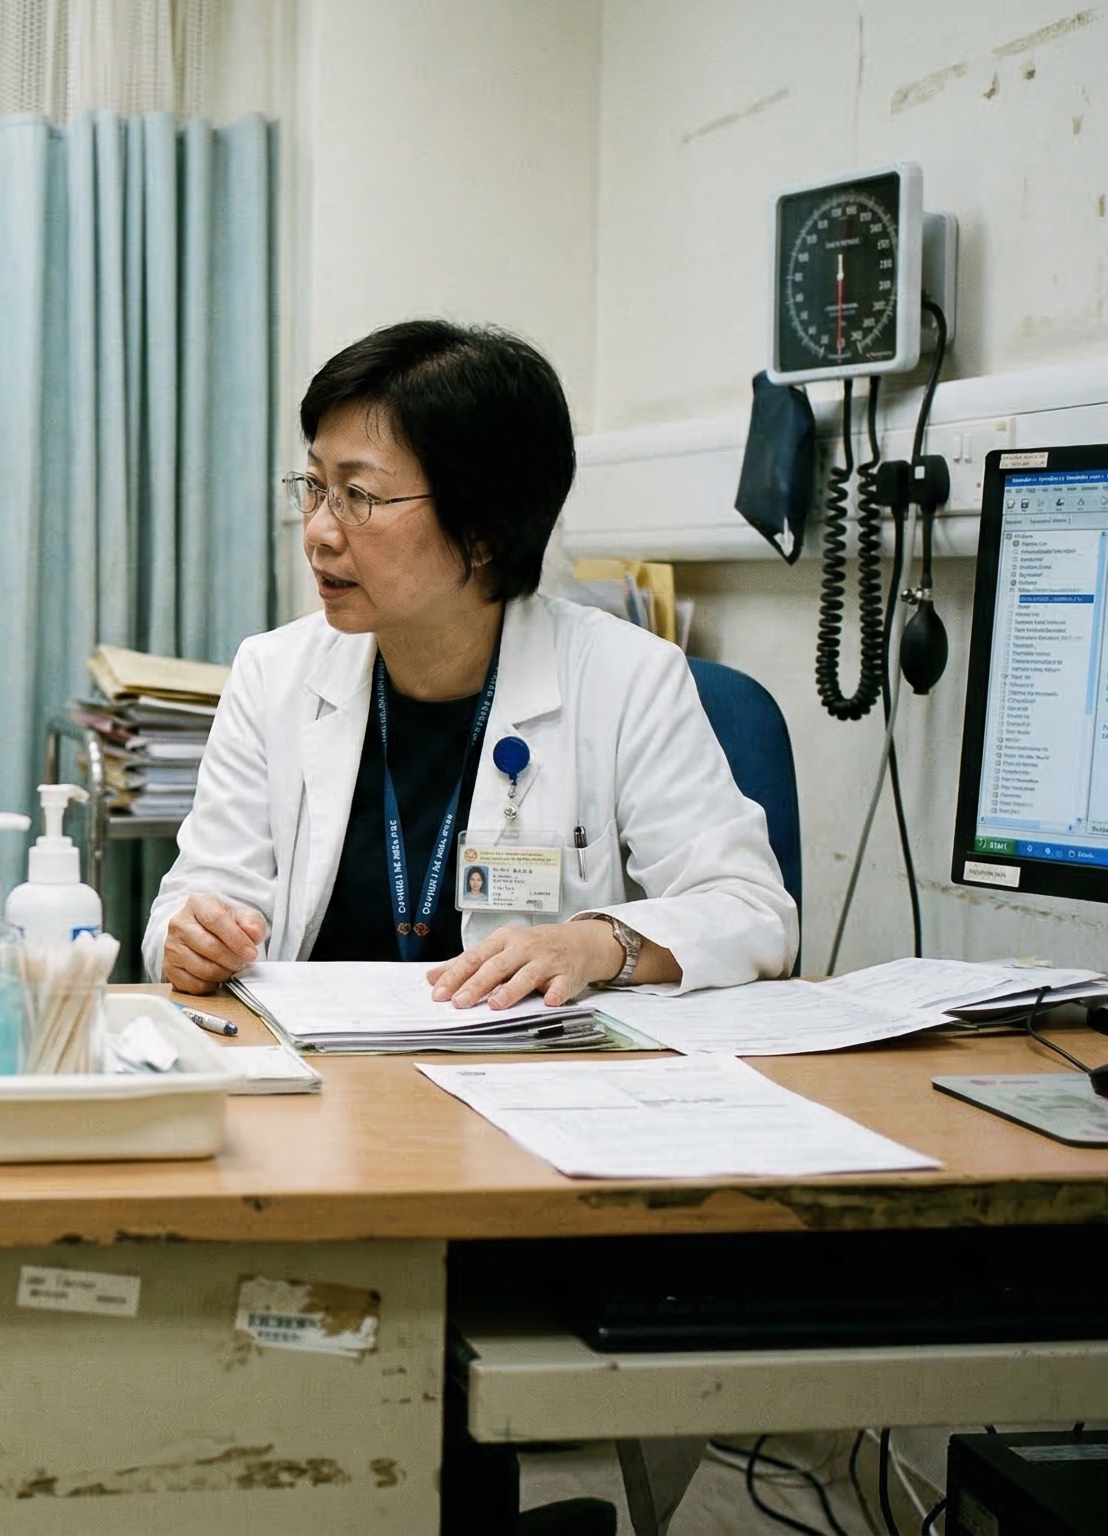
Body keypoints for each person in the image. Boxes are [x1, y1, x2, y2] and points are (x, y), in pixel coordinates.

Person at [145, 321, 796, 1536]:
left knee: (425, 1380)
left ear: (485, 532)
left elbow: (752, 911)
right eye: (313, 485)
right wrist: (193, 935)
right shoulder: (276, 678)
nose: (319, 530)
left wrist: (602, 939)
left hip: (536, 1155)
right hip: (314, 1141)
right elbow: (190, 898)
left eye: (361, 495)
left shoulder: (628, 682)